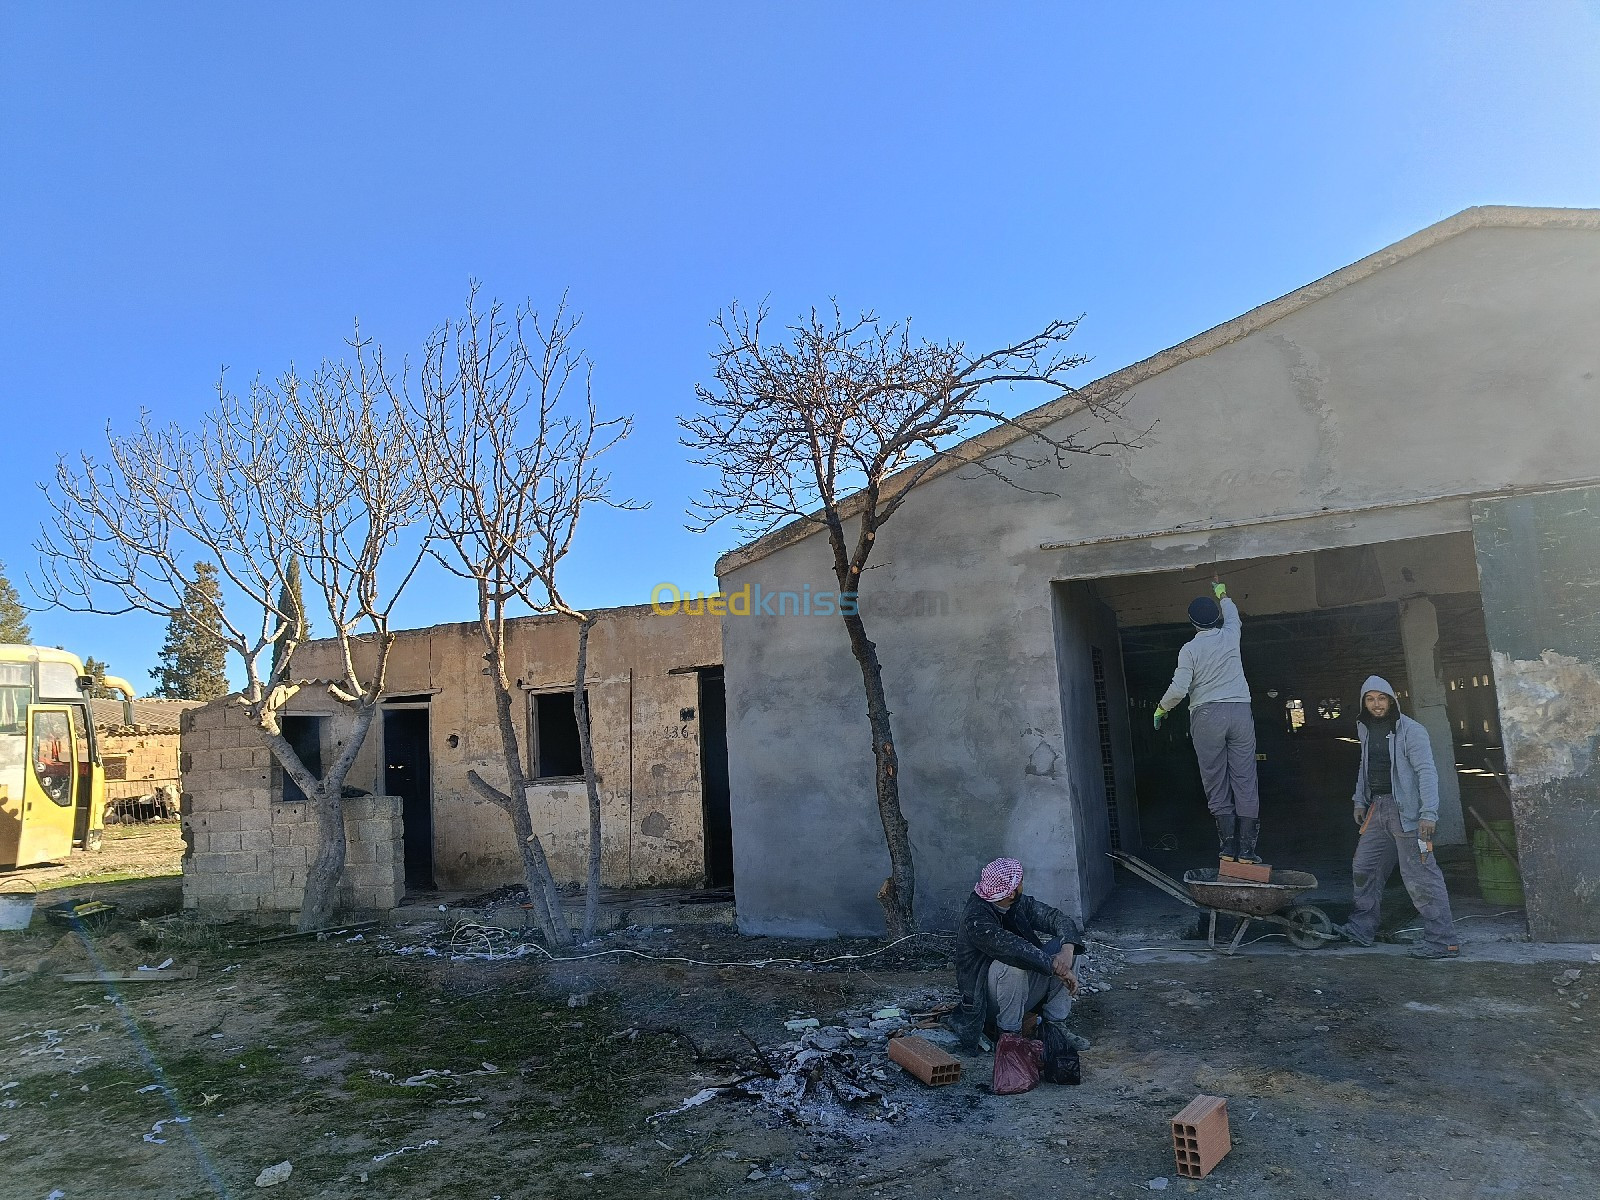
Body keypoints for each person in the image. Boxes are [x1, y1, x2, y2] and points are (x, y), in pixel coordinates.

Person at [1333, 676, 1461, 959]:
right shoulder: (1365, 728)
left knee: (1420, 875)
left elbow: (1426, 771)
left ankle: (1443, 942)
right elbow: (1364, 766)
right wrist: (1359, 798)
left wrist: (1429, 813)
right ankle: (1361, 929)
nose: (1376, 704)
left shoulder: (1412, 731)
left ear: (1391, 700)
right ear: (1364, 703)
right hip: (1378, 808)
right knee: (1364, 867)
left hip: (1409, 813)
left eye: (1381, 698)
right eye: (1370, 699)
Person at [1153, 580, 1261, 863]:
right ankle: (1248, 851)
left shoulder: (1189, 649)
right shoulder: (1231, 633)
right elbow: (1233, 612)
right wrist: (1222, 593)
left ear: (1192, 622)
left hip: (1206, 715)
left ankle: (1227, 848)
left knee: (1215, 778)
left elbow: (1178, 690)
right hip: (1239, 710)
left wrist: (1162, 709)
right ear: (1217, 618)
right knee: (1245, 778)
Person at [951, 857, 1091, 1056]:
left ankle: (1054, 1027)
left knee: (1068, 945)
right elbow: (1013, 950)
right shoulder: (976, 919)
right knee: (1012, 966)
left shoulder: (1015, 903)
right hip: (985, 1004)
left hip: (1019, 994)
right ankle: (1010, 1036)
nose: (1022, 885)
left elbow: (1057, 918)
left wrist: (1067, 951)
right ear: (1011, 892)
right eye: (1020, 882)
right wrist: (1055, 966)